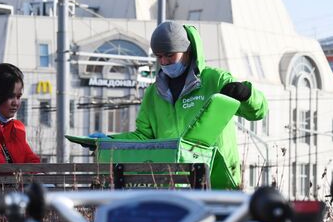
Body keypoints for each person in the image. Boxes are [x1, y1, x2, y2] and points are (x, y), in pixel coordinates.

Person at [106, 21, 269, 189]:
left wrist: (247, 94)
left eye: (170, 55)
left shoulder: (215, 81)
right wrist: (108, 141)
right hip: (173, 185)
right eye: (159, 56)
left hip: (218, 181)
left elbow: (259, 111)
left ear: (187, 50)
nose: (164, 61)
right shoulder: (153, 94)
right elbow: (144, 137)